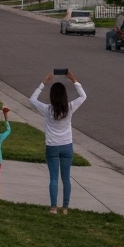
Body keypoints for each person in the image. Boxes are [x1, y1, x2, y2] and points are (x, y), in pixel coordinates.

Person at [30, 70, 86, 214]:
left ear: (52, 96)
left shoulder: (47, 109)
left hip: (52, 147)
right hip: (67, 146)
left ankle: (53, 207)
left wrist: (44, 83)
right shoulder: (70, 108)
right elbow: (83, 96)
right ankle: (65, 207)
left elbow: (32, 99)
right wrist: (73, 79)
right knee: (66, 178)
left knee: (53, 179)